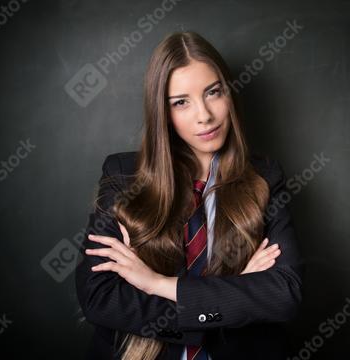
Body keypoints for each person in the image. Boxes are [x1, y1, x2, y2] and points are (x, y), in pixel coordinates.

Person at [75, 31, 305, 360]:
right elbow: (101, 298)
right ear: (162, 113)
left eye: (213, 92)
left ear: (229, 93)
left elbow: (284, 294)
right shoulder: (124, 176)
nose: (204, 115)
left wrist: (157, 284)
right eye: (181, 102)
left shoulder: (265, 176)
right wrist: (234, 293)